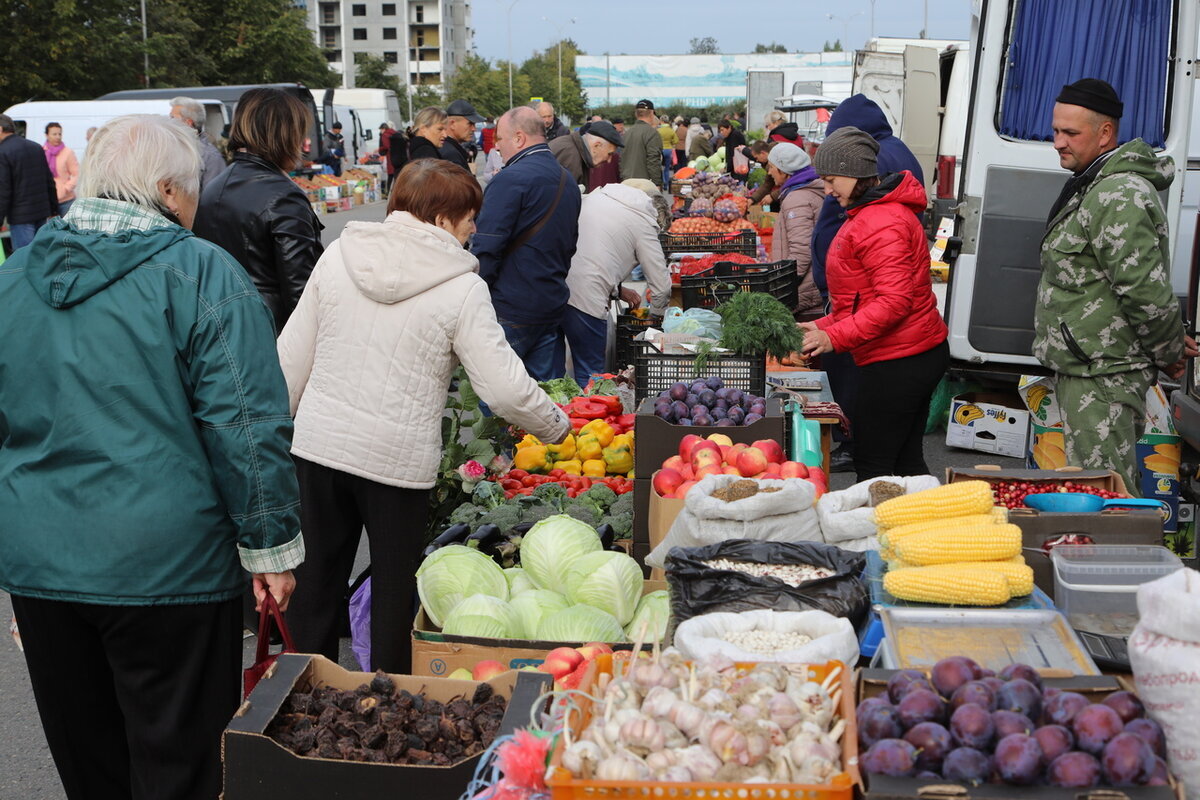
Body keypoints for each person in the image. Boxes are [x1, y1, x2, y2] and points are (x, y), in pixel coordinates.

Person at [0, 113, 302, 800]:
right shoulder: (198, 273)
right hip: (169, 568)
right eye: (193, 191)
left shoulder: (16, 277)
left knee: (91, 764)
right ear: (168, 190)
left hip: (45, 563)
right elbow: (246, 425)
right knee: (181, 765)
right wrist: (271, 548)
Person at [278, 159, 568, 672]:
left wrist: (274, 437)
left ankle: (301, 700)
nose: (475, 229)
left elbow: (289, 358)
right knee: (395, 594)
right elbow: (502, 388)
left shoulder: (339, 255)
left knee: (314, 588)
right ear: (440, 221)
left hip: (319, 450)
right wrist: (557, 425)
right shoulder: (462, 287)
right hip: (396, 464)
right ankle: (388, 705)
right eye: (468, 218)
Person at [1034, 78, 1191, 494]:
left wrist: (1171, 352)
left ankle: (1125, 560)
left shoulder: (1118, 193)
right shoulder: (1094, 181)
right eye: (1056, 131)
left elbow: (1145, 293)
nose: (1057, 143)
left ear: (1105, 133)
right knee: (1095, 491)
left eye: (1070, 133)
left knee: (1107, 497)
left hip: (1104, 375)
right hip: (1090, 368)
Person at [799, 127, 948, 482]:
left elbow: (894, 302)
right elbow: (860, 301)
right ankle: (922, 528)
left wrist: (833, 339)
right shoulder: (872, 215)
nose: (828, 190)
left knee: (873, 463)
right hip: (908, 354)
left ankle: (877, 535)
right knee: (906, 462)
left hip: (901, 361)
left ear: (855, 174)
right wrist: (820, 327)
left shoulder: (883, 221)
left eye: (832, 179)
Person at [193, 88, 324, 335]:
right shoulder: (284, 196)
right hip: (273, 333)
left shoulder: (214, 187)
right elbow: (303, 293)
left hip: (223, 328)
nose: (303, 143)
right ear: (285, 135)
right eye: (299, 133)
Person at [472, 106, 582, 381]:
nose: (496, 147)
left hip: (511, 306)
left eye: (500, 139)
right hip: (550, 301)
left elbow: (486, 248)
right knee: (544, 398)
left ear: (519, 138)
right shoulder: (566, 180)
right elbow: (570, 245)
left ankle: (500, 428)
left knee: (497, 396)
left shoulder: (509, 179)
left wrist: (476, 299)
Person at [560, 179, 672, 384]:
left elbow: (596, 249)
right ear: (659, 217)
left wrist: (618, 290)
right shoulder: (644, 222)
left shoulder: (599, 197)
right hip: (587, 295)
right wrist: (655, 320)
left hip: (555, 283)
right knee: (591, 374)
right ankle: (587, 412)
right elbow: (662, 287)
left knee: (557, 371)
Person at [766, 143, 824, 319]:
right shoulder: (805, 191)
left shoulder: (797, 199)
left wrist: (784, 284)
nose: (769, 172)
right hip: (811, 289)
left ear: (784, 171)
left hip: (804, 293)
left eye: (772, 167)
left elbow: (801, 250)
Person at [0, 114, 58, 250]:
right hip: (41, 211)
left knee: (24, 259)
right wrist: (53, 207)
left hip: (20, 216)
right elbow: (49, 180)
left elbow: (3, 189)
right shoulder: (35, 147)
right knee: (40, 254)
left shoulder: (3, 152)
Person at [170, 96, 227, 190]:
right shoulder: (172, 150)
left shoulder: (211, 157)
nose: (169, 122)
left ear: (188, 123)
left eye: (172, 118)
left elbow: (213, 196)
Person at [549, 120, 622, 188]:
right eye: (609, 154)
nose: (609, 160)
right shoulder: (571, 157)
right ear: (597, 145)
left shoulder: (575, 149)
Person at [619, 100, 664, 188]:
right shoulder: (652, 133)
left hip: (626, 181)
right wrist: (657, 183)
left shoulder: (627, 133)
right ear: (652, 113)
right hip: (644, 184)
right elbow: (653, 160)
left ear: (636, 114)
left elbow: (621, 159)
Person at [42, 122, 79, 216]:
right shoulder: (42, 151)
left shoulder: (68, 152)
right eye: (54, 134)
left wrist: (66, 188)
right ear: (47, 135)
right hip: (47, 200)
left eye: (60, 134)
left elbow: (77, 173)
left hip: (66, 200)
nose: (58, 137)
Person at [441, 99, 484, 172]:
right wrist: (471, 175)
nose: (474, 129)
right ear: (452, 124)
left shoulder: (447, 148)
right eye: (470, 123)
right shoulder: (450, 155)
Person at [657, 114, 678, 186]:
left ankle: (662, 182)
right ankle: (666, 184)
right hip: (668, 150)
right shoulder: (671, 130)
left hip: (660, 150)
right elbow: (676, 141)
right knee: (667, 168)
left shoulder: (658, 130)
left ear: (661, 121)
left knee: (660, 168)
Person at [377, 121, 397, 190]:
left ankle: (389, 191)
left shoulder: (385, 135)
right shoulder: (394, 133)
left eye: (381, 129)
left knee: (390, 175)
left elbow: (386, 146)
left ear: (384, 129)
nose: (380, 131)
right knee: (395, 174)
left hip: (390, 156)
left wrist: (380, 149)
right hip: (397, 156)